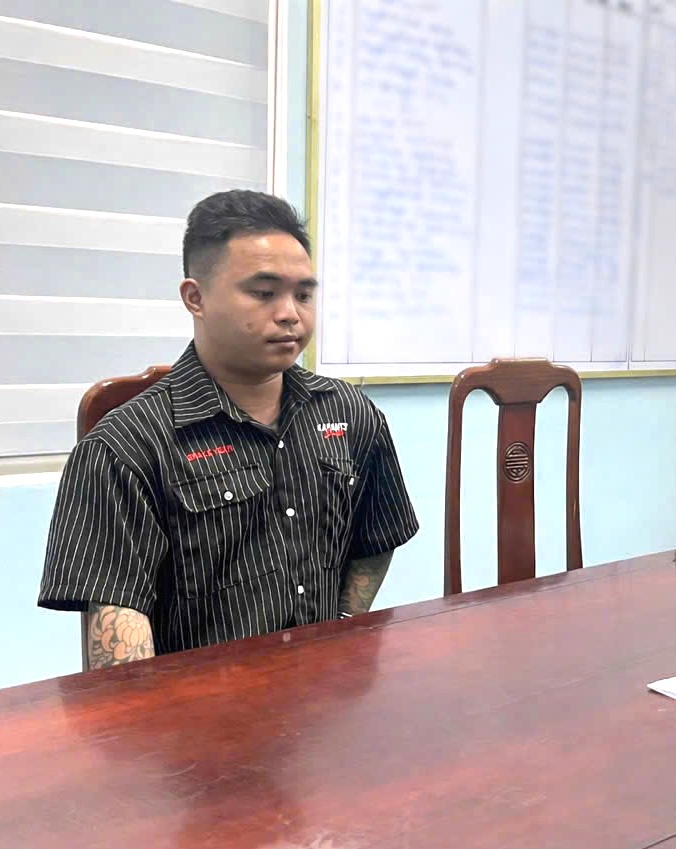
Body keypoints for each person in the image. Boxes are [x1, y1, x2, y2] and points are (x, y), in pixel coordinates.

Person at [38, 190, 418, 667]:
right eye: (264, 293)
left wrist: (343, 624)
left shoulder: (349, 413)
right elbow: (121, 645)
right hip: (198, 707)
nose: (290, 313)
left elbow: (378, 533)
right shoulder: (125, 449)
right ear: (195, 298)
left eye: (303, 294)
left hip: (325, 692)